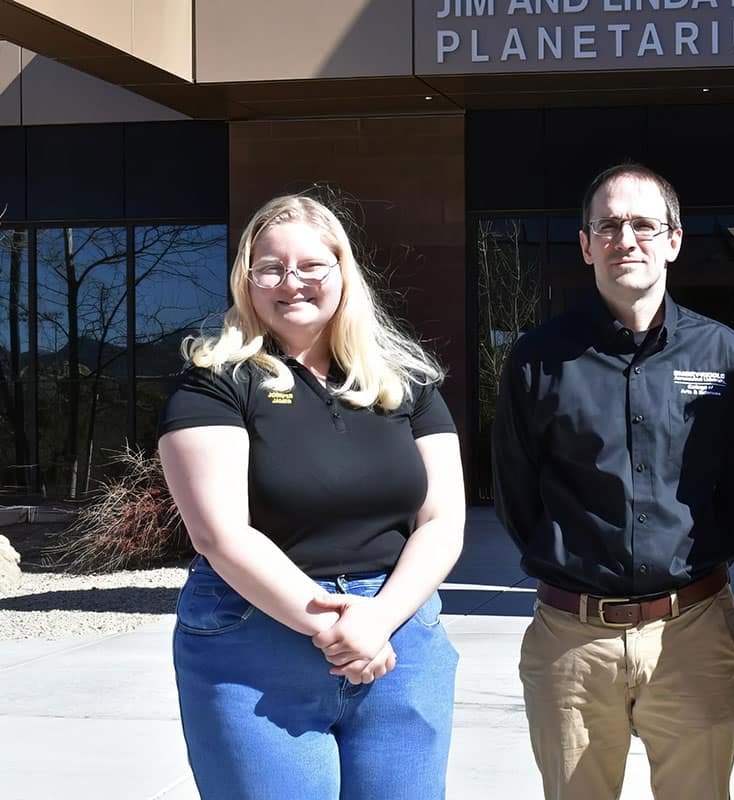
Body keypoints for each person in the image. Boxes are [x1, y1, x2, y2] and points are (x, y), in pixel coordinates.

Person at [157, 194, 464, 800]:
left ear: (343, 272)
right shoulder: (213, 384)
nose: (290, 282)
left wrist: (377, 619)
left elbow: (443, 519)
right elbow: (220, 534)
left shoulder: (406, 383)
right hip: (255, 634)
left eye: (311, 266)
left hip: (399, 631)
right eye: (269, 267)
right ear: (247, 279)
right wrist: (339, 630)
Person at [492, 163, 734, 800]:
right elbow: (516, 492)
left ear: (673, 240)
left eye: (644, 224)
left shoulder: (727, 357)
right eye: (609, 225)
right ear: (586, 244)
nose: (627, 238)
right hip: (571, 639)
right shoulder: (538, 358)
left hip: (693, 630)